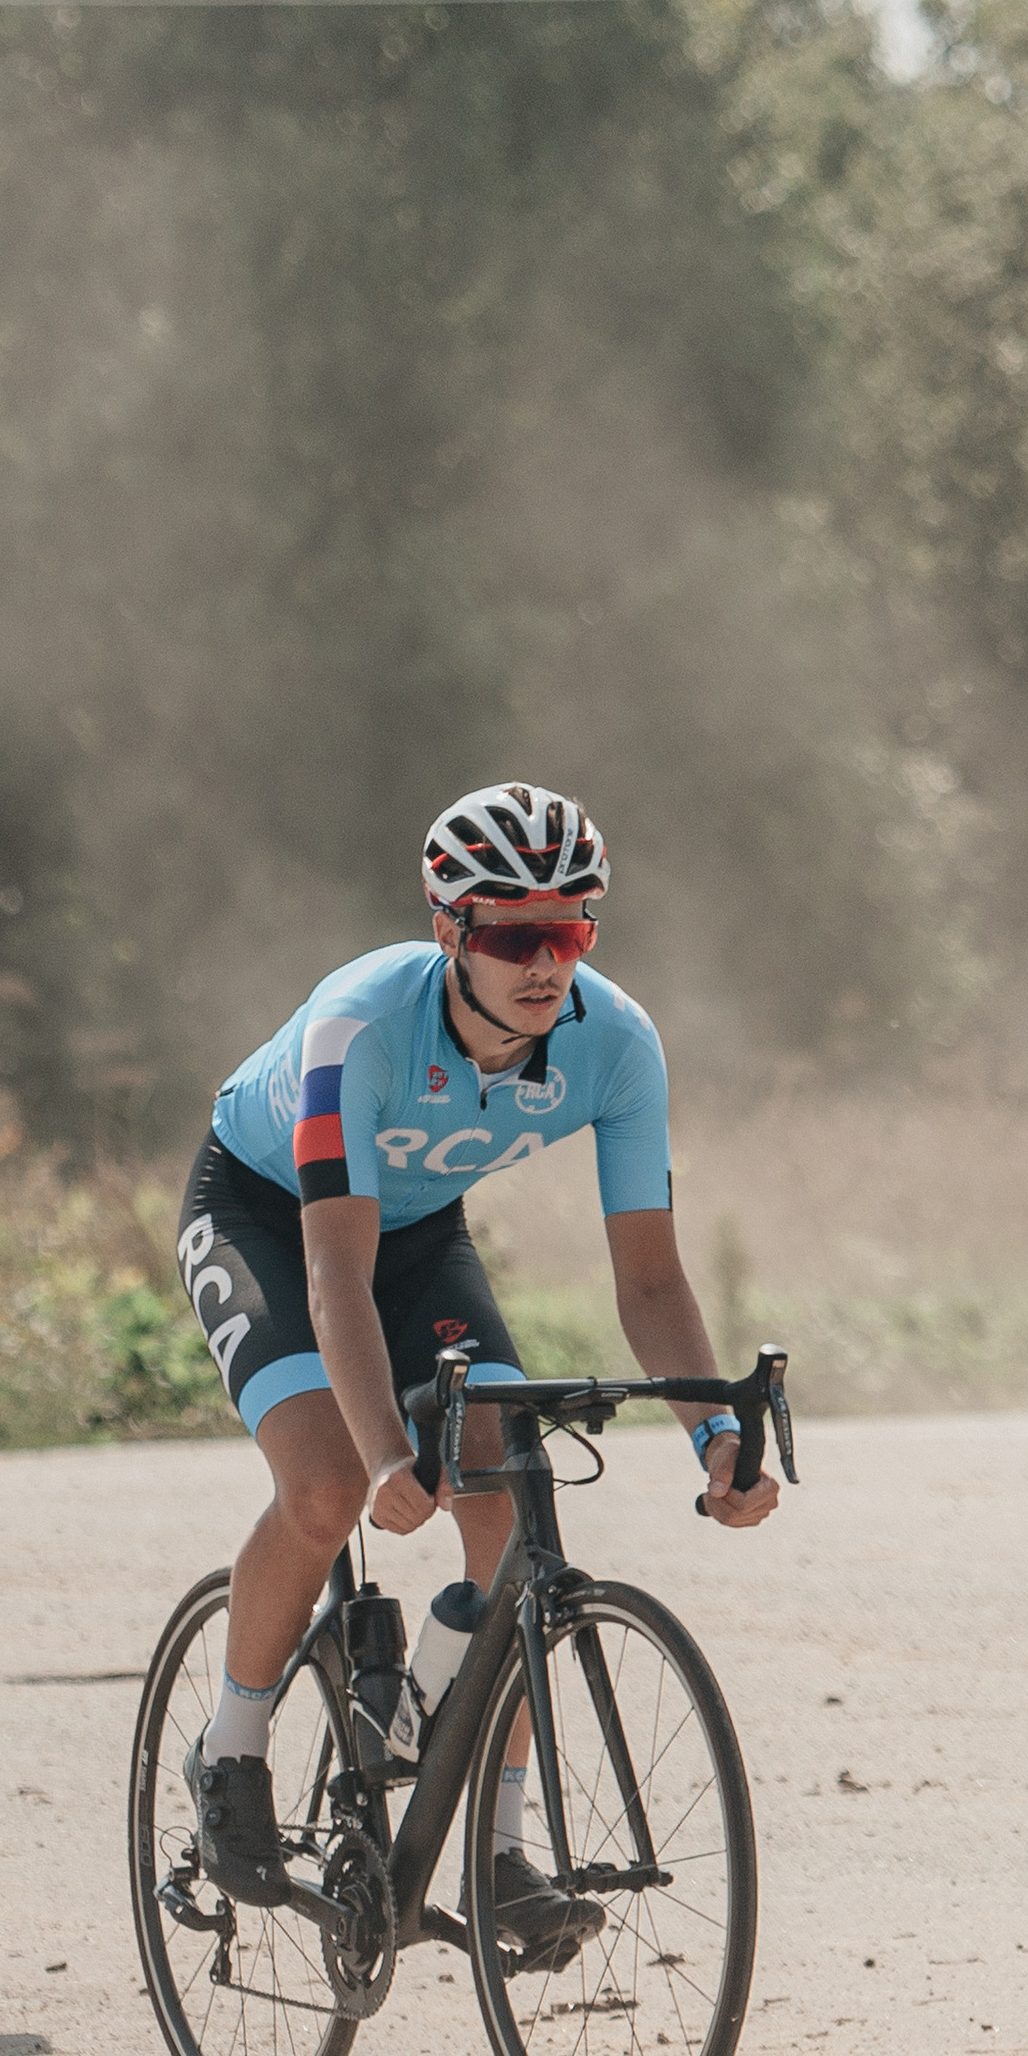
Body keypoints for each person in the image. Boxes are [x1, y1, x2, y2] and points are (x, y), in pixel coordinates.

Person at [174, 781, 780, 1955]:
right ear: (449, 930)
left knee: (507, 1498)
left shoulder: (616, 1042)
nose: (545, 962)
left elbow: (651, 1283)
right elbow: (332, 1276)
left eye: (571, 930)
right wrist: (385, 1453)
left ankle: (496, 1849)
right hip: (267, 1219)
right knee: (325, 1485)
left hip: (417, 1235)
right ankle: (231, 1747)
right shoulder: (358, 1025)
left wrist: (714, 1438)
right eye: (513, 935)